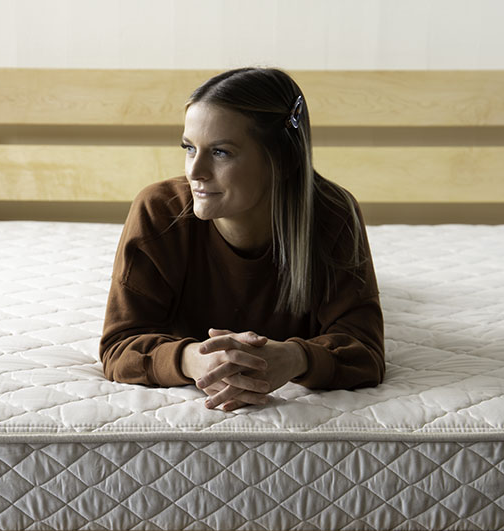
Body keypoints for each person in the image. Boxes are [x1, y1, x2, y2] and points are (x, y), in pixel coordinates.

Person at [100, 67, 385, 411]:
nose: (194, 171)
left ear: (282, 160)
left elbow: (365, 351)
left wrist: (296, 358)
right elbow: (119, 346)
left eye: (220, 152)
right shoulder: (159, 211)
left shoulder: (333, 215)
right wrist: (192, 359)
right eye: (189, 148)